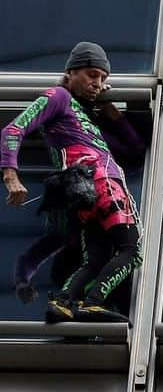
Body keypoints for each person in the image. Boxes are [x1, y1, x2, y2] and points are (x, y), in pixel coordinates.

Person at [2, 42, 142, 323]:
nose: (97, 83)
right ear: (70, 72)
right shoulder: (59, 97)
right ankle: (93, 301)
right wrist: (11, 175)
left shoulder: (82, 118)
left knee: (96, 258)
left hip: (87, 192)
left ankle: (64, 303)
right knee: (132, 250)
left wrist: (110, 111)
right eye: (91, 75)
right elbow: (13, 129)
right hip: (101, 182)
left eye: (103, 79)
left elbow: (135, 150)